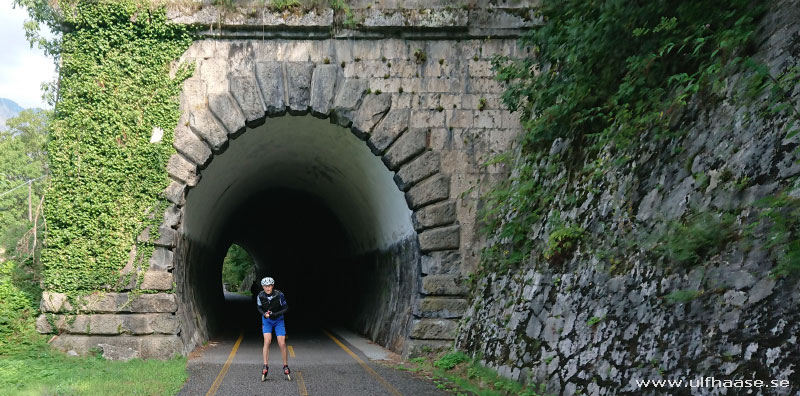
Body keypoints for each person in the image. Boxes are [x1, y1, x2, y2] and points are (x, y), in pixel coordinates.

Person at [257, 276, 290, 381]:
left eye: (269, 286)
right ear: (263, 287)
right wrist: (264, 314)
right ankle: (265, 365)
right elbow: (259, 307)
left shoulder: (280, 295)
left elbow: (286, 308)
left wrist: (275, 314)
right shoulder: (260, 295)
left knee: (282, 342)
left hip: (278, 320)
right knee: (267, 341)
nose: (268, 288)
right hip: (267, 321)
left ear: (273, 286)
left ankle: (285, 366)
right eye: (265, 286)